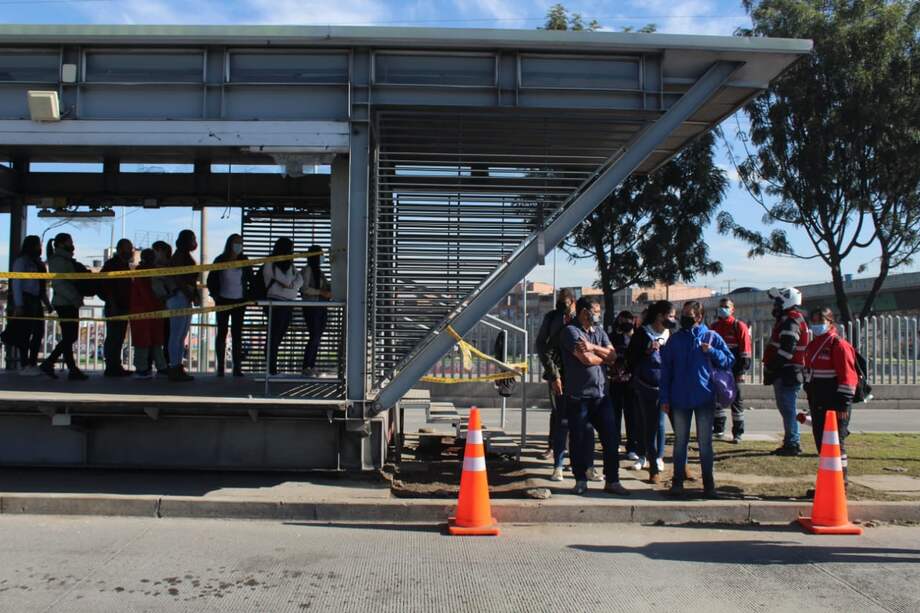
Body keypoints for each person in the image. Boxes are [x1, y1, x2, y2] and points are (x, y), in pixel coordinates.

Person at [659, 301, 734, 498]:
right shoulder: (675, 340)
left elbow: (729, 360)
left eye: (688, 314)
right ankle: (677, 482)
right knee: (680, 442)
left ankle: (709, 485)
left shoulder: (711, 337)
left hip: (704, 398)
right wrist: (664, 397)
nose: (684, 318)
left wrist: (712, 351)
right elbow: (666, 370)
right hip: (679, 398)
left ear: (699, 317)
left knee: (705, 443)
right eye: (683, 313)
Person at [560, 296, 629, 496]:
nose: (598, 315)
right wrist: (603, 356)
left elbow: (613, 356)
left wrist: (593, 348)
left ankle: (613, 480)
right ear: (584, 312)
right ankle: (580, 480)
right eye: (595, 311)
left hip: (601, 395)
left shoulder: (598, 332)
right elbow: (586, 359)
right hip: (579, 396)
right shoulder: (571, 331)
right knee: (579, 440)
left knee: (611, 439)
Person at [804, 307, 857, 484]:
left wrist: (843, 405)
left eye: (821, 321)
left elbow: (848, 378)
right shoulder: (813, 345)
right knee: (823, 444)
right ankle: (828, 484)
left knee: (836, 444)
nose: (816, 325)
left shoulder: (838, 345)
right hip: (818, 401)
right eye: (814, 321)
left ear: (830, 322)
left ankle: (841, 483)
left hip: (835, 403)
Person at [625, 300, 676, 484]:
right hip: (646, 385)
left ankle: (659, 457)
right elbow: (631, 358)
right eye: (670, 316)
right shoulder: (642, 333)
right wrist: (647, 351)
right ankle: (646, 458)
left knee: (662, 423)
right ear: (660, 316)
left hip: (668, 385)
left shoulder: (672, 334)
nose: (673, 319)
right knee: (648, 423)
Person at [763, 287, 809, 456]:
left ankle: (792, 443)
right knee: (787, 408)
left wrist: (772, 367)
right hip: (786, 371)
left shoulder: (791, 321)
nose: (775, 306)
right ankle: (791, 441)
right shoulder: (788, 320)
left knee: (788, 409)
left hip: (787, 372)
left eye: (778, 302)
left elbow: (787, 351)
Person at [39, 233, 88, 381]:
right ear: (61, 244)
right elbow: (60, 284)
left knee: (68, 337)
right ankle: (50, 362)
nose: (72, 245)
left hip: (67, 302)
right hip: (65, 303)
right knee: (70, 336)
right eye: (69, 242)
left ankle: (71, 369)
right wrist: (74, 298)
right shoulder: (58, 261)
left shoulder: (63, 259)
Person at [208, 234, 252, 377]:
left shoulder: (244, 260)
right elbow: (211, 280)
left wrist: (250, 297)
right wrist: (215, 295)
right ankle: (220, 367)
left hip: (240, 302)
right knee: (222, 332)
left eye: (241, 243)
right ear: (230, 244)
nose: (239, 245)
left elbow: (251, 279)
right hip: (223, 301)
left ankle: (237, 367)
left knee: (237, 334)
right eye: (236, 243)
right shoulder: (220, 260)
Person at [710, 298, 752, 443]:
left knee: (736, 401)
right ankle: (718, 429)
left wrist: (741, 371)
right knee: (717, 400)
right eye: (721, 306)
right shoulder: (714, 326)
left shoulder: (739, 326)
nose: (723, 309)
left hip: (735, 370)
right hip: (718, 370)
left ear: (733, 309)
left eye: (726, 306)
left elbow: (745, 351)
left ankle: (738, 433)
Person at [7, 236, 50, 374]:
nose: (40, 248)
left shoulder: (37, 263)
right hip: (25, 300)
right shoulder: (21, 262)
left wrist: (47, 303)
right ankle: (25, 363)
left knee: (38, 332)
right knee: (24, 333)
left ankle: (32, 363)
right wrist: (19, 304)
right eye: (38, 245)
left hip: (36, 300)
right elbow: (17, 283)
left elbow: (41, 286)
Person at [608, 310, 643, 470]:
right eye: (622, 321)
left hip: (632, 381)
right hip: (615, 380)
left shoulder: (637, 337)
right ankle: (615, 443)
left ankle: (632, 447)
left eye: (628, 321)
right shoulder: (612, 336)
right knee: (615, 414)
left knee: (632, 415)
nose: (625, 324)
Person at [262, 237, 302, 376]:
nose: (292, 252)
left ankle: (272, 368)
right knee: (273, 337)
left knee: (279, 336)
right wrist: (291, 284)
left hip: (288, 304)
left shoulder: (290, 265)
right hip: (275, 304)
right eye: (290, 249)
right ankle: (271, 370)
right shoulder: (270, 263)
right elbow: (286, 281)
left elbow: (300, 280)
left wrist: (292, 285)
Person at [165, 230, 199, 382]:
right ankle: (174, 366)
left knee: (181, 335)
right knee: (176, 335)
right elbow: (179, 279)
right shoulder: (179, 256)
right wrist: (189, 294)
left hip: (185, 297)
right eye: (193, 239)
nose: (195, 242)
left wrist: (193, 294)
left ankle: (177, 365)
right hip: (179, 297)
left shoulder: (185, 256)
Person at [129, 249, 167, 378]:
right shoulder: (143, 273)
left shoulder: (146, 272)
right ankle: (142, 368)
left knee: (154, 340)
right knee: (144, 341)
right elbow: (146, 293)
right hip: (145, 310)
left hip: (150, 310)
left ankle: (157, 367)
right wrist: (159, 303)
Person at [100, 238, 134, 377]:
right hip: (115, 306)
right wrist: (112, 303)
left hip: (123, 306)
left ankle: (115, 365)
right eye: (128, 248)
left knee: (119, 337)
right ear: (120, 249)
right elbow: (107, 287)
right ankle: (111, 366)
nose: (131, 251)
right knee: (113, 337)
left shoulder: (124, 265)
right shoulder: (112, 265)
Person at [300, 245, 331, 378]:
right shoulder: (307, 270)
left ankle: (311, 365)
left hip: (321, 306)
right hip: (311, 307)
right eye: (321, 254)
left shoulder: (320, 272)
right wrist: (321, 292)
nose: (322, 257)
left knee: (317, 337)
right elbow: (304, 289)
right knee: (314, 336)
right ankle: (307, 366)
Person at [150, 240, 173, 375]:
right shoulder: (150, 268)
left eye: (156, 251)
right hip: (154, 307)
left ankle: (166, 363)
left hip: (168, 307)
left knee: (168, 336)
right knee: (155, 338)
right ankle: (156, 364)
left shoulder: (171, 268)